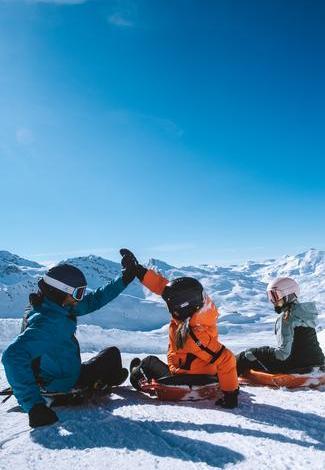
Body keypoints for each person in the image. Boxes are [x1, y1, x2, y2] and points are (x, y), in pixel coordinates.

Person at [2, 256, 136, 428]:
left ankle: (109, 377)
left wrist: (123, 279)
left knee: (109, 360)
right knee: (112, 355)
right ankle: (106, 380)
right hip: (63, 383)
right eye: (78, 293)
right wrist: (34, 406)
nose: (80, 298)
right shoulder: (50, 322)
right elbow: (12, 356)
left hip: (51, 376)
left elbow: (93, 301)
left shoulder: (51, 305)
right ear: (59, 290)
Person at [120, 249, 239, 409]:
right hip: (197, 369)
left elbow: (226, 359)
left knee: (147, 363)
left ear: (182, 307)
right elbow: (164, 288)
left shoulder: (193, 334)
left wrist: (231, 395)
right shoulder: (199, 307)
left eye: (171, 306)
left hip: (186, 376)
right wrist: (139, 270)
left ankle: (137, 374)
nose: (169, 308)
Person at [236, 277, 325, 376]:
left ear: (289, 294)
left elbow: (282, 355)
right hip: (318, 362)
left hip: (295, 366)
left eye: (275, 295)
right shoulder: (305, 313)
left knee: (247, 355)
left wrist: (258, 352)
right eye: (270, 296)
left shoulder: (286, 317)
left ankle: (221, 377)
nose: (273, 301)